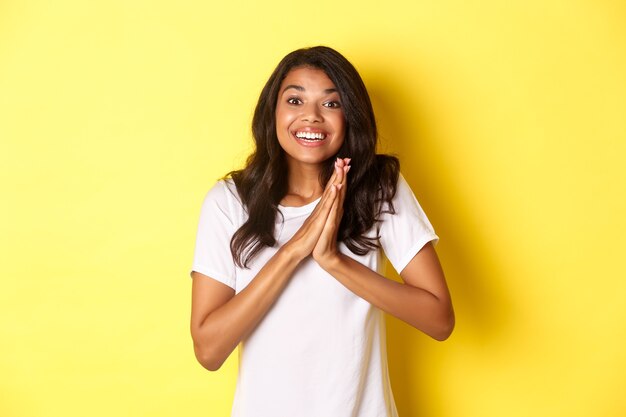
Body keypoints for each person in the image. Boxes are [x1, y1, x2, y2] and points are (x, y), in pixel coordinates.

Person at [189, 46, 454, 417]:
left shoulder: (377, 189)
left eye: (331, 104)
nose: (311, 117)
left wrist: (332, 260)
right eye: (295, 100)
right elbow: (209, 350)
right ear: (274, 112)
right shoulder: (230, 202)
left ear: (350, 116)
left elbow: (439, 319)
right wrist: (293, 250)